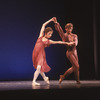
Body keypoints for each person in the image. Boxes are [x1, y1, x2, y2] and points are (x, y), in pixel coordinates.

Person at [32, 17, 74, 86]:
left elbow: (59, 42)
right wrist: (51, 20)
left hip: (41, 55)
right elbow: (43, 25)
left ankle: (34, 81)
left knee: (39, 67)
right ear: (45, 33)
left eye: (51, 34)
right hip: (35, 53)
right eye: (49, 34)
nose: (50, 35)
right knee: (39, 69)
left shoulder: (49, 41)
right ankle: (45, 78)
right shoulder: (40, 36)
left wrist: (67, 43)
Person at [54, 18, 80, 84]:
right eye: (68, 28)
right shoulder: (65, 36)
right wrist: (56, 23)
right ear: (66, 29)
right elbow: (60, 31)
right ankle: (65, 77)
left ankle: (76, 80)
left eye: (71, 28)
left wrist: (74, 42)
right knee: (76, 66)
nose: (70, 29)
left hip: (75, 52)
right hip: (69, 52)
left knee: (75, 67)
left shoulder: (75, 35)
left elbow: (76, 43)